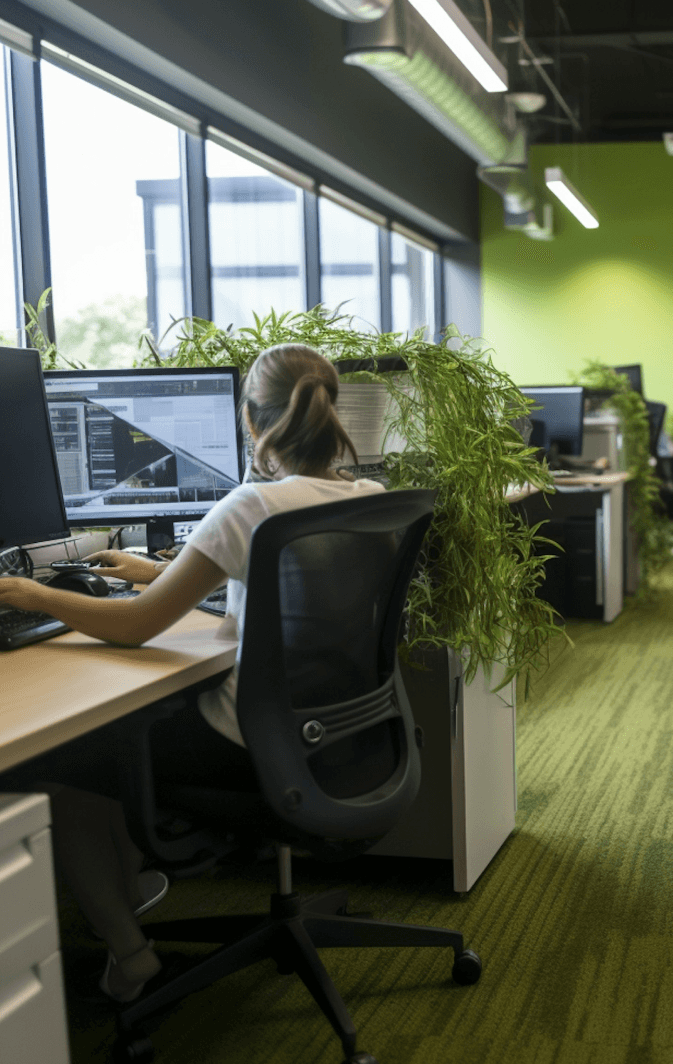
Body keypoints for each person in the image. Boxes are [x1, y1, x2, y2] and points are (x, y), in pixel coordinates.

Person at [0, 343, 385, 1001]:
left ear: (252, 421)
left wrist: (32, 595)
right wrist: (163, 572)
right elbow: (256, 578)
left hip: (254, 742)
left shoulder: (249, 506)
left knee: (73, 771)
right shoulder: (369, 496)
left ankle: (131, 955)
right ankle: (130, 895)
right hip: (338, 734)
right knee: (123, 730)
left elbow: (135, 626)